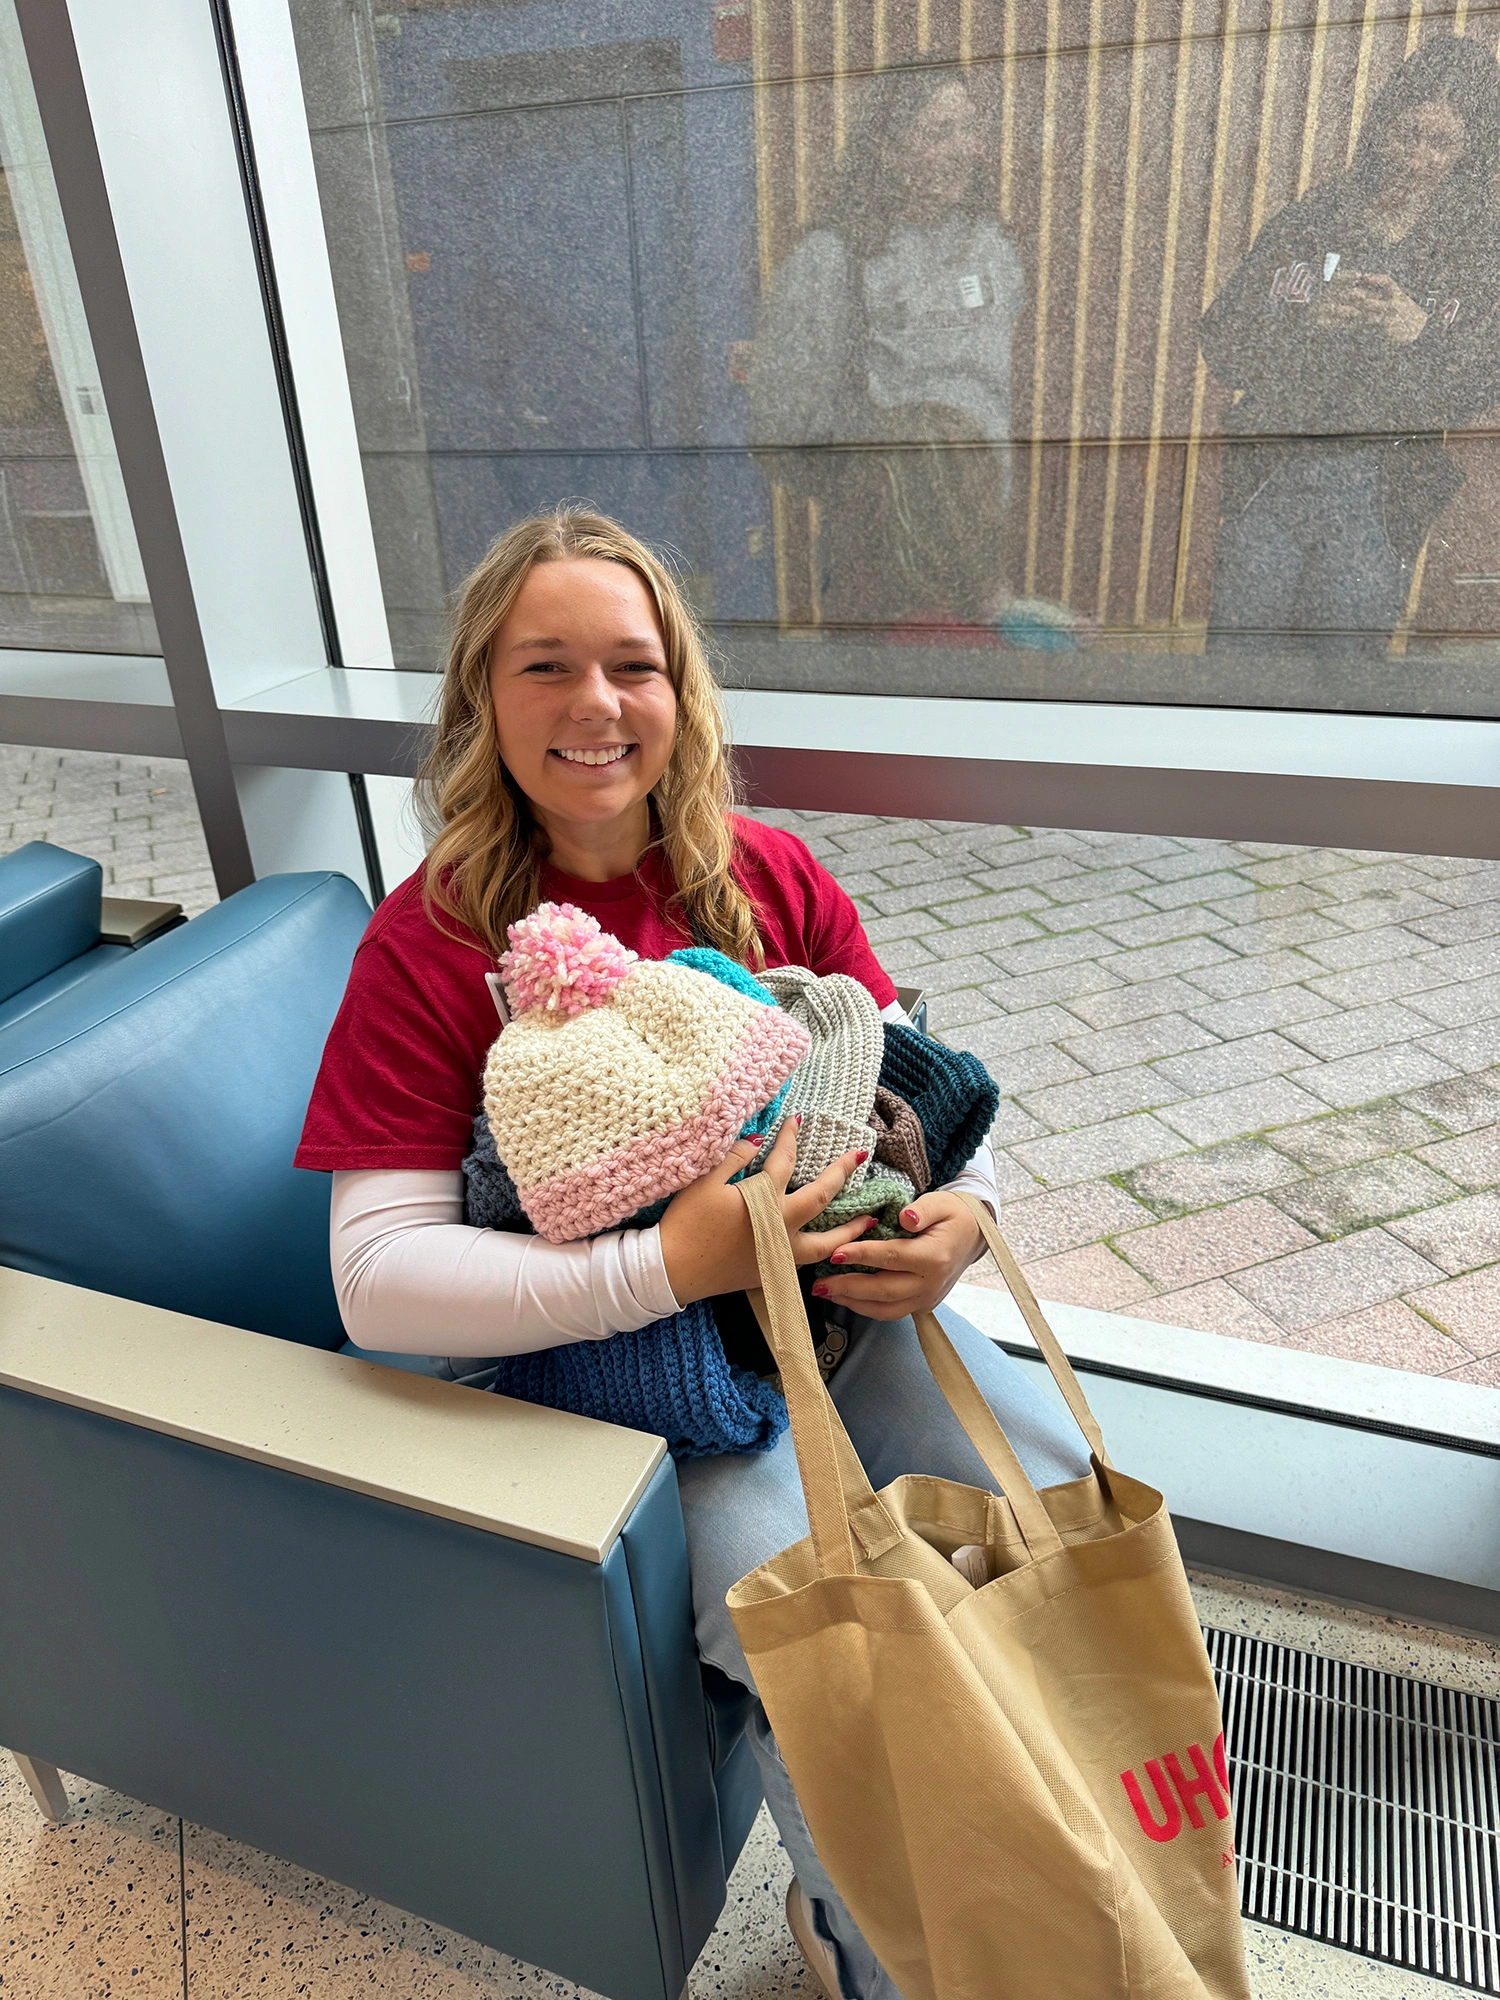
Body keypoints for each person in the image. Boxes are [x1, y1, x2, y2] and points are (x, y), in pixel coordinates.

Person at [295, 506, 1088, 2000]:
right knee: (832, 1641)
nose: (595, 706)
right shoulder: (432, 946)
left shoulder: (769, 876)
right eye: (546, 668)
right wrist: (672, 1265)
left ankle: (1065, 1868)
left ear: (681, 693)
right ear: (482, 699)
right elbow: (378, 1283)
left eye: (631, 666)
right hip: (620, 1375)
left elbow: (927, 1101)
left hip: (835, 1318)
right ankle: (891, 1952)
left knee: (1039, 1506)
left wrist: (967, 1227)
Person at [749, 63, 1079, 648]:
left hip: (981, 554)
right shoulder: (831, 262)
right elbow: (781, 430)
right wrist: (884, 492)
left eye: (969, 129)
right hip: (880, 559)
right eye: (938, 134)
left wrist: (963, 509)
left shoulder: (995, 250)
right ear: (887, 151)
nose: (963, 150)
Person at [1201, 34, 1500, 656]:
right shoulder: (1312, 221)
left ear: (1471, 151)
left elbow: (1476, 390)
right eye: (1405, 134)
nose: (1415, 158)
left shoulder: (1476, 255)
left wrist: (1417, 330)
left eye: (1439, 143)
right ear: (1380, 127)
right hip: (1272, 475)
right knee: (1239, 665)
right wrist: (1305, 322)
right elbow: (1222, 342)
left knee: (1343, 676)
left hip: (1382, 492)